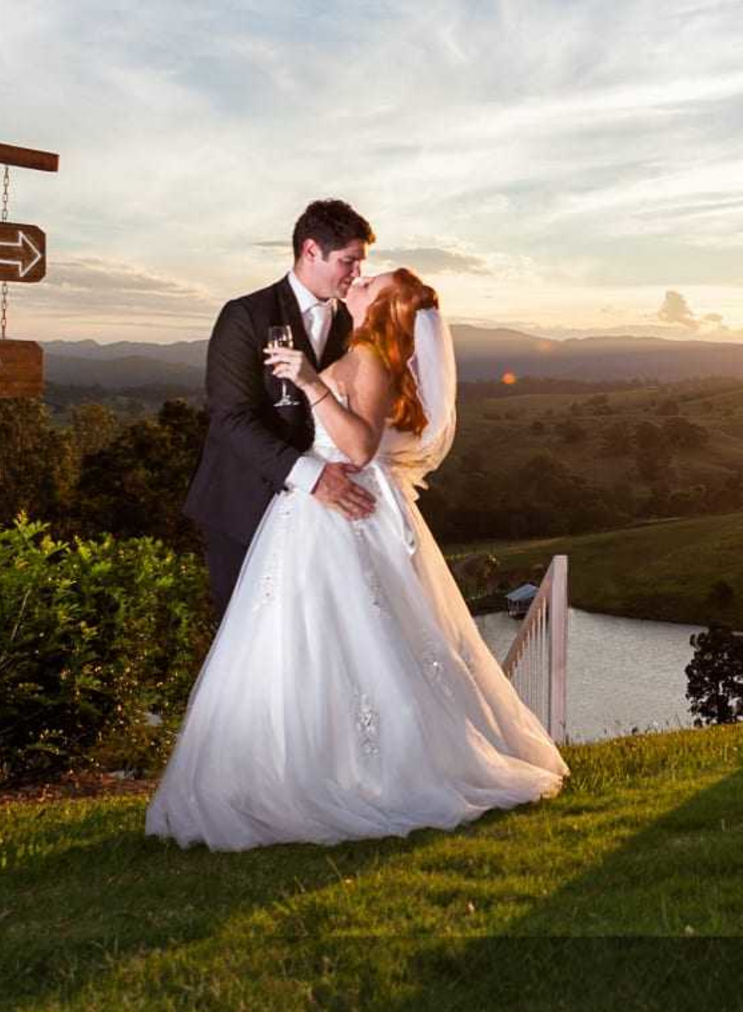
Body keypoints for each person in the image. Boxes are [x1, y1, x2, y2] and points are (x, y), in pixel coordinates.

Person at [148, 267, 567, 849]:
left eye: (371, 283)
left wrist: (309, 380)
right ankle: (327, 764)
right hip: (329, 509)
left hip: (332, 514)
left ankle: (328, 775)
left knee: (325, 642)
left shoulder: (367, 358)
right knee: (349, 645)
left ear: (382, 312)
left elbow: (358, 446)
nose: (359, 280)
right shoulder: (370, 353)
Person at [183, 199, 379, 618]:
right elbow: (230, 419)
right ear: (311, 251)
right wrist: (311, 477)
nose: (356, 273)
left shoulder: (350, 323)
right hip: (243, 507)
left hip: (316, 520)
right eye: (348, 261)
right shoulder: (245, 316)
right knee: (250, 636)